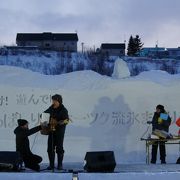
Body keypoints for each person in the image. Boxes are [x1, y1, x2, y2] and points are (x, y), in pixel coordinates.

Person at [44, 94, 69, 170]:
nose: (53, 102)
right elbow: (44, 114)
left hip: (60, 131)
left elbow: (66, 120)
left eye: (55, 100)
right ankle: (51, 165)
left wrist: (59, 122)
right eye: (53, 100)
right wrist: (44, 121)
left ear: (59, 101)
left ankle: (60, 165)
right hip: (51, 130)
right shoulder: (51, 108)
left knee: (59, 148)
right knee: (50, 148)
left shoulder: (63, 110)